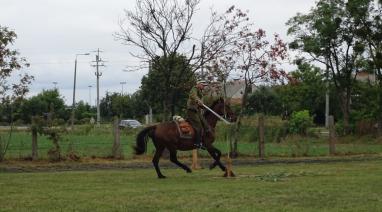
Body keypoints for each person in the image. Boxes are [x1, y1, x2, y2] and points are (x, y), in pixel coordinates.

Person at [186, 80, 211, 149]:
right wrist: (198, 100)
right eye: (203, 85)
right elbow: (193, 96)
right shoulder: (194, 89)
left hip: (197, 111)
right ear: (199, 84)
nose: (204, 87)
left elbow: (201, 103)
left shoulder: (200, 92)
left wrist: (203, 106)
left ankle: (205, 141)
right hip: (191, 111)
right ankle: (197, 143)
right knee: (198, 126)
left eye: (205, 86)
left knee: (205, 124)